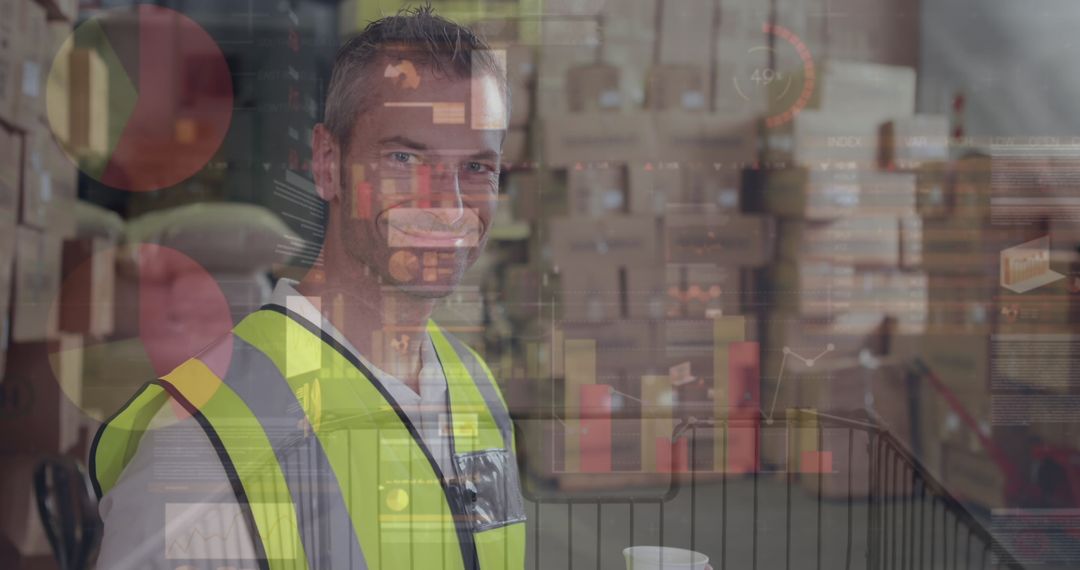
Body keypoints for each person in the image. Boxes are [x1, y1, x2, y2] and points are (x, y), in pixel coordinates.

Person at [90, 6, 525, 569]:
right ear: (327, 163)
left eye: (476, 169)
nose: (449, 207)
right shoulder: (205, 438)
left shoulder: (478, 392)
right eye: (404, 158)